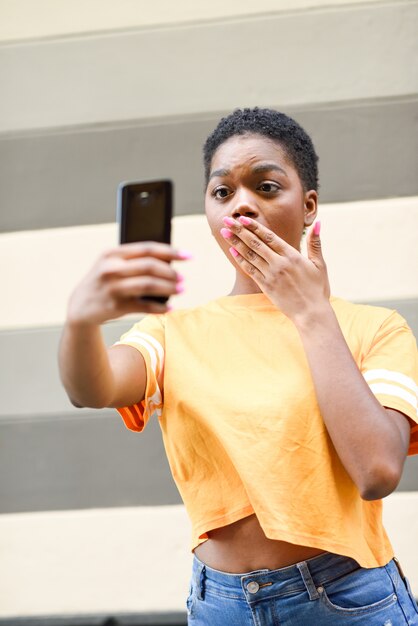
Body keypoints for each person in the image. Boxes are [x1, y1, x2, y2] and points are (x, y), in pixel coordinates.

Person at [59, 108, 418, 625]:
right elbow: (90, 388)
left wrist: (312, 314)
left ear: (309, 205)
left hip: (346, 601)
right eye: (222, 192)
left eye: (266, 187)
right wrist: (79, 322)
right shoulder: (174, 333)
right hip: (220, 606)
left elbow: (378, 471)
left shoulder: (374, 328)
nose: (242, 204)